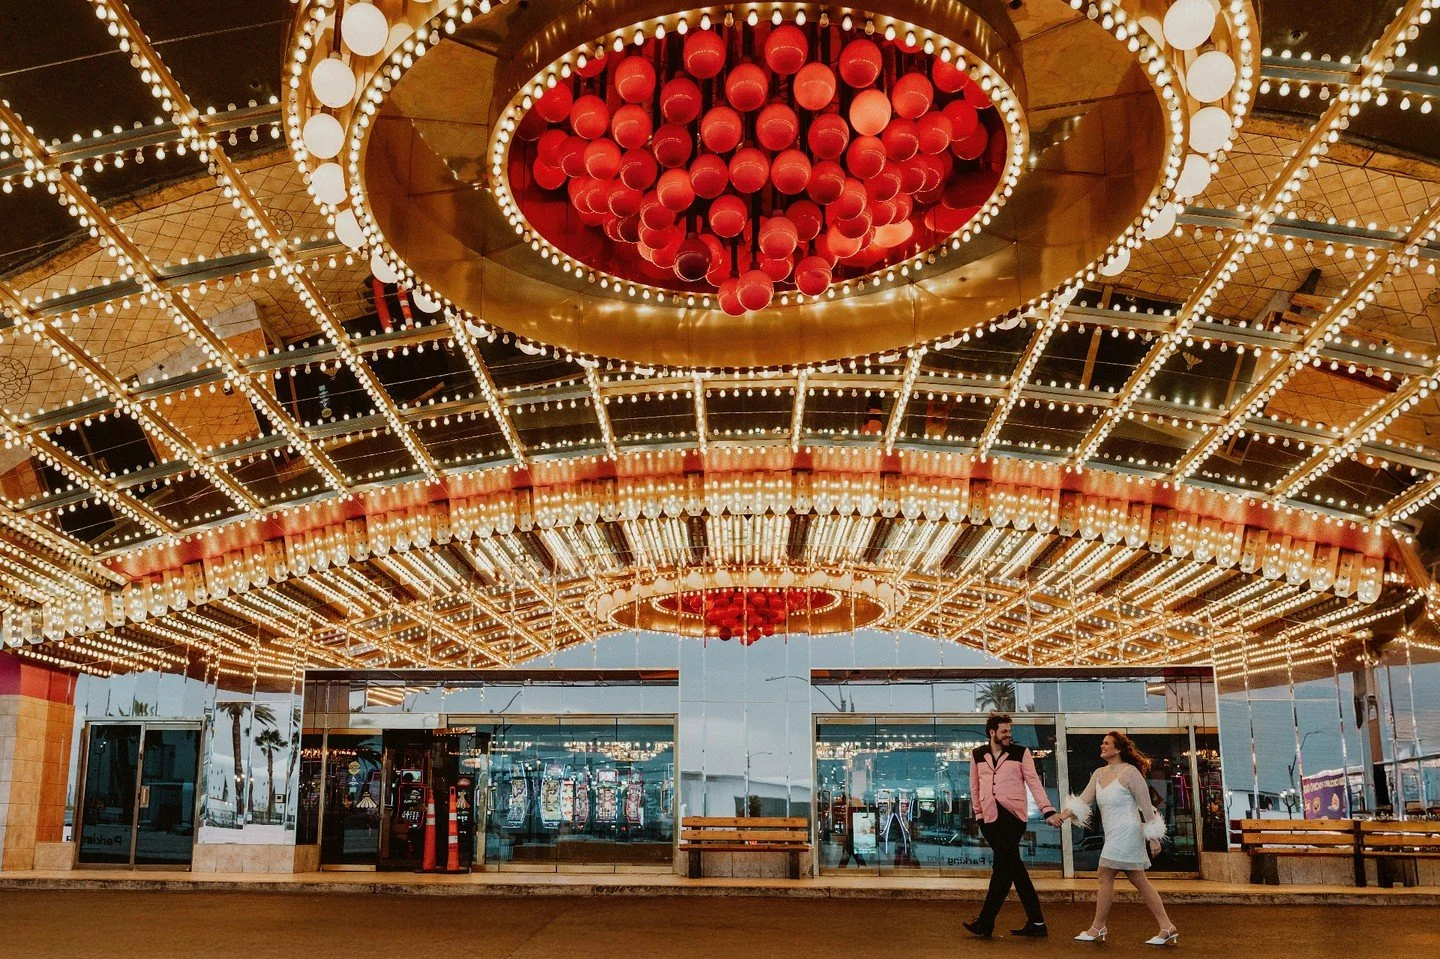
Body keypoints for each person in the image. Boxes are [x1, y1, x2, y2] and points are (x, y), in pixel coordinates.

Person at [1056, 731, 1179, 947]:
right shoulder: (1098, 773)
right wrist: (1063, 816)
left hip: (1129, 831)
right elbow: (1084, 800)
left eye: (1106, 743)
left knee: (1105, 873)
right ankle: (1166, 926)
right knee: (1138, 879)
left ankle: (1097, 927)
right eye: (1101, 743)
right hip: (1113, 833)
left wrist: (1153, 837)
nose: (1102, 746)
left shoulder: (1130, 773)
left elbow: (1145, 805)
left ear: (1118, 748)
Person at [963, 713, 1062, 939]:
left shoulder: (1020, 752)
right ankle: (1036, 922)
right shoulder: (977, 755)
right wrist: (978, 815)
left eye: (1010, 731)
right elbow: (974, 787)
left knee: (1005, 867)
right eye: (1005, 731)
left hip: (1013, 816)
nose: (1009, 735)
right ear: (992, 732)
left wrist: (1047, 809)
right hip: (989, 817)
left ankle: (986, 922)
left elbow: (1033, 782)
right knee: (1011, 868)